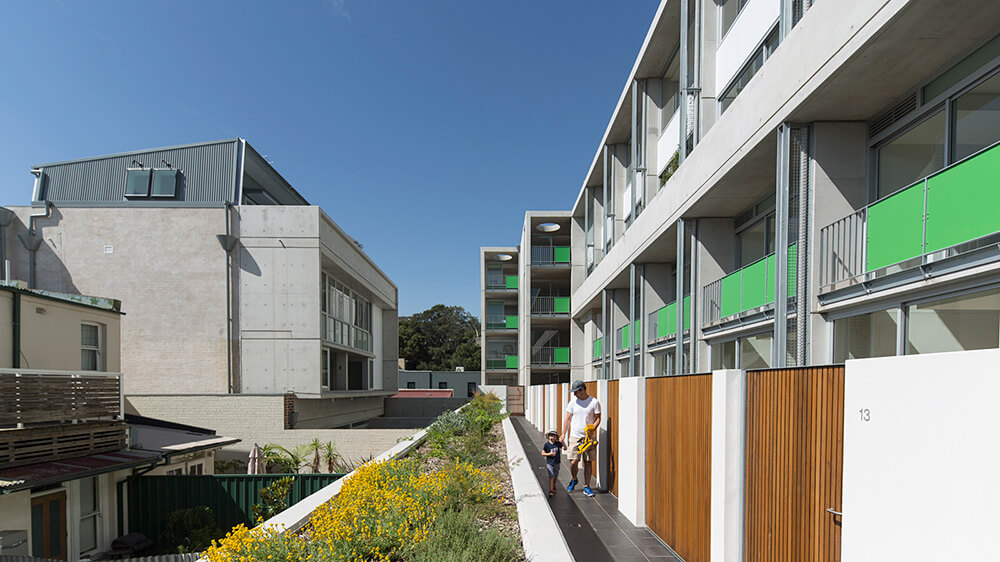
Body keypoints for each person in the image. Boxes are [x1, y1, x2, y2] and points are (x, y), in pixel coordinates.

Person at [562, 380, 601, 497]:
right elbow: (568, 419)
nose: (574, 394)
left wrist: (592, 428)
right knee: (573, 461)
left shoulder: (594, 402)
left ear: (582, 390)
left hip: (588, 438)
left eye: (576, 392)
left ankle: (587, 486)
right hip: (575, 436)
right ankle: (574, 479)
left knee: (587, 462)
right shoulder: (573, 402)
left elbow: (598, 418)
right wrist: (563, 434)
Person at [541, 429, 564, 497]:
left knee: (555, 476)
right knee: (551, 476)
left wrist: (563, 442)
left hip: (557, 462)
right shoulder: (547, 445)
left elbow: (564, 448)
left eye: (554, 436)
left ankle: (553, 485)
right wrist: (549, 454)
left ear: (556, 437)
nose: (552, 437)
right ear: (548, 436)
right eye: (551, 436)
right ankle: (551, 490)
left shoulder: (557, 444)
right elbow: (542, 453)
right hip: (549, 463)